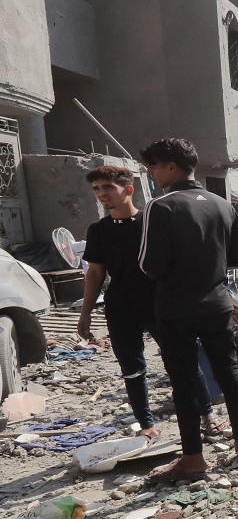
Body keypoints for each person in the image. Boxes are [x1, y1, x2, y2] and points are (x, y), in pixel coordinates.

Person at [138, 138, 238, 481]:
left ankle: (193, 458)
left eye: (155, 166)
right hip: (217, 303)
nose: (152, 172)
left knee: (185, 380)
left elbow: (150, 265)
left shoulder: (160, 207)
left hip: (176, 307)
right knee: (228, 373)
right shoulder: (223, 204)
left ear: (171, 167)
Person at [76, 166, 225, 442]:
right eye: (96, 189)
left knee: (184, 362)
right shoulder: (99, 230)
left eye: (108, 187)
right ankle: (146, 424)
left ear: (128, 189)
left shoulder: (152, 222)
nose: (101, 194)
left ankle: (208, 415)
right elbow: (95, 272)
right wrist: (85, 314)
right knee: (132, 369)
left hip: (163, 306)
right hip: (121, 309)